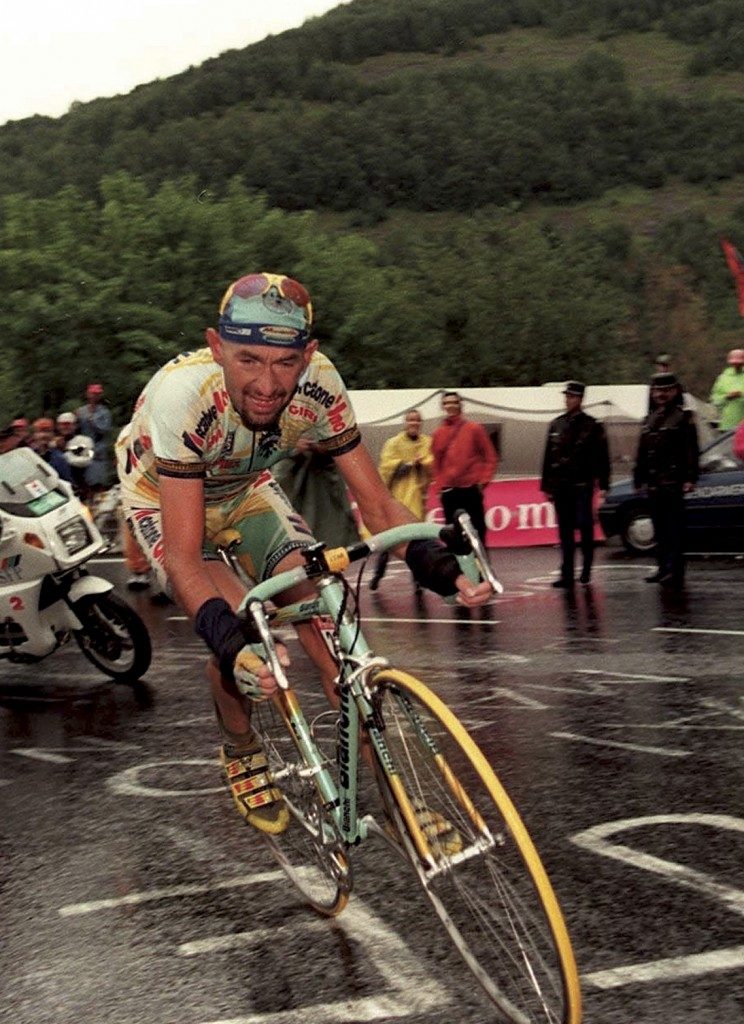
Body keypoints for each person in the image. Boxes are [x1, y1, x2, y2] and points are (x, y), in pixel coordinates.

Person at [116, 272, 492, 832]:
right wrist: (225, 638)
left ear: (308, 354)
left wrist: (439, 566)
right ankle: (241, 746)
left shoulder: (322, 385)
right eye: (247, 360)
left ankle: (395, 802)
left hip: (245, 491)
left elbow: (381, 505)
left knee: (330, 625)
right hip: (162, 497)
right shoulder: (184, 395)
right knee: (240, 634)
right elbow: (186, 558)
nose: (268, 384)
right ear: (216, 348)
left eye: (285, 363)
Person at [540, 382, 610, 588]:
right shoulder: (556, 424)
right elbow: (548, 457)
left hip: (582, 483)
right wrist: (547, 486)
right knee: (565, 530)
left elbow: (601, 457)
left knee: (585, 525)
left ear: (580, 399)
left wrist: (604, 483)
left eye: (572, 397)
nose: (568, 400)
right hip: (561, 485)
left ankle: (586, 566)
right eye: (567, 396)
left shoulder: (592, 425)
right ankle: (567, 573)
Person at [634, 372, 699, 589]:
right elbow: (643, 452)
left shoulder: (683, 418)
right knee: (659, 529)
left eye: (665, 390)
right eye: (657, 391)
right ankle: (662, 567)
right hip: (653, 482)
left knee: (674, 529)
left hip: (673, 481)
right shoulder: (649, 419)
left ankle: (675, 570)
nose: (660, 395)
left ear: (674, 391)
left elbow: (691, 451)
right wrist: (638, 478)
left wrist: (690, 477)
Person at [370, 409, 433, 591]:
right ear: (405, 422)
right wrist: (405, 464)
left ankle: (418, 580)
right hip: (397, 498)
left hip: (416, 500)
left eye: (416, 421)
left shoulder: (427, 442)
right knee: (390, 540)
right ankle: (378, 574)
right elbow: (385, 465)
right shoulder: (394, 443)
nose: (413, 423)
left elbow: (432, 462)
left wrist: (423, 463)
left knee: (416, 541)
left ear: (420, 423)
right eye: (410, 420)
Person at [431, 392, 498, 543]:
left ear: (460, 405)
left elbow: (490, 456)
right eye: (447, 403)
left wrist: (482, 482)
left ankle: (480, 565)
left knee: (477, 531)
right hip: (449, 491)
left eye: (454, 402)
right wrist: (440, 487)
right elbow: (436, 463)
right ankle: (457, 565)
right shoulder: (438, 433)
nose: (451, 406)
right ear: (443, 406)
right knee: (454, 535)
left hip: (470, 489)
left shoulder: (474, 429)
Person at [75, 383, 113, 495]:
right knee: (83, 481)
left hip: (99, 451)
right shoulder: (81, 411)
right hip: (83, 449)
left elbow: (105, 429)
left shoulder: (104, 412)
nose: (95, 396)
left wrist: (93, 422)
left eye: (97, 394)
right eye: (93, 393)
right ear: (88, 394)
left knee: (98, 481)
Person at [710, 348, 744, 431]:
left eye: (739, 363)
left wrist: (741, 395)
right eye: (734, 363)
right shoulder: (722, 378)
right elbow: (714, 400)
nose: (737, 365)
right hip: (728, 424)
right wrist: (727, 397)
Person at [30, 417, 73, 482]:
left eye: (47, 431)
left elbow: (67, 483)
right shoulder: (29, 456)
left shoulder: (59, 458)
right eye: (40, 431)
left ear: (52, 434)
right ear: (34, 435)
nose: (43, 435)